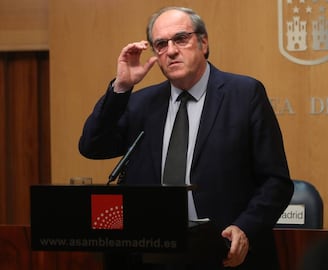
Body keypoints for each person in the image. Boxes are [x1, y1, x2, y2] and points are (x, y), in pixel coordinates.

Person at [79, 6, 293, 270]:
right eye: (160, 44)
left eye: (181, 39)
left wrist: (244, 228)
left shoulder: (244, 94)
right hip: (151, 254)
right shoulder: (141, 103)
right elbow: (92, 145)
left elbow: (276, 181)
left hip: (223, 255)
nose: (170, 51)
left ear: (203, 43)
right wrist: (121, 87)